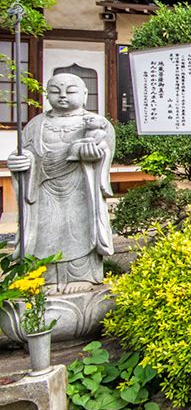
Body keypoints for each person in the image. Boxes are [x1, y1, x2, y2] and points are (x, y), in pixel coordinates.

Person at [7, 73, 115, 294]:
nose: (63, 95)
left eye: (70, 90)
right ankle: (44, 278)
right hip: (43, 189)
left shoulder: (95, 123)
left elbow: (106, 150)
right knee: (46, 231)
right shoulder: (37, 124)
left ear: (84, 95)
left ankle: (82, 275)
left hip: (80, 188)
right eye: (55, 91)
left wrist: (94, 154)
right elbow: (25, 151)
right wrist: (20, 161)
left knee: (79, 229)